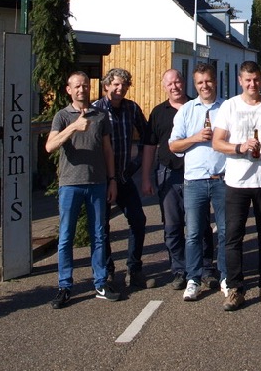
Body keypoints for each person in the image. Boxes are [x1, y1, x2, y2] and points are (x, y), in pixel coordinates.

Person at [45, 71, 119, 308]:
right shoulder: (62, 116)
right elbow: (50, 146)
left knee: (99, 235)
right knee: (66, 237)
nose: (82, 90)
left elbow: (108, 150)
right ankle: (65, 285)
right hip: (70, 184)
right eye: (77, 86)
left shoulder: (101, 116)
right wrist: (74, 127)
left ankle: (100, 282)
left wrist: (112, 179)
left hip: (97, 183)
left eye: (85, 86)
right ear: (69, 89)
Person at [211, 61, 261, 311]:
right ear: (240, 81)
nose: (252, 84)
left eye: (256, 79)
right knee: (233, 237)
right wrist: (239, 147)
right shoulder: (229, 106)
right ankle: (236, 288)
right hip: (236, 181)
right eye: (248, 80)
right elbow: (217, 143)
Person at [169, 63, 226, 302]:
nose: (205, 86)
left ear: (215, 81)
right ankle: (194, 278)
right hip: (194, 181)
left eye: (208, 81)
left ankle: (225, 276)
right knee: (192, 233)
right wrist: (195, 138)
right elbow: (173, 145)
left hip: (222, 179)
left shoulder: (227, 108)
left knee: (225, 231)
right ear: (195, 85)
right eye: (200, 82)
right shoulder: (187, 110)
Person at [92, 67, 149, 290]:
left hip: (124, 177)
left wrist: (136, 164)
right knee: (102, 226)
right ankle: (107, 271)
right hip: (102, 179)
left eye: (124, 85)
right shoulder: (96, 109)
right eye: (115, 84)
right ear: (106, 86)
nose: (120, 89)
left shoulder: (131, 108)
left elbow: (147, 135)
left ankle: (134, 268)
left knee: (138, 220)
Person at [141, 68, 190, 290]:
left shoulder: (196, 107)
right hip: (167, 173)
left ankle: (203, 268)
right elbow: (150, 147)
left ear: (183, 82)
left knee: (198, 226)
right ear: (164, 87)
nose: (174, 86)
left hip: (195, 174)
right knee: (172, 225)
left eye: (177, 82)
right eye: (169, 84)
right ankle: (179, 270)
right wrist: (146, 177)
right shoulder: (158, 112)